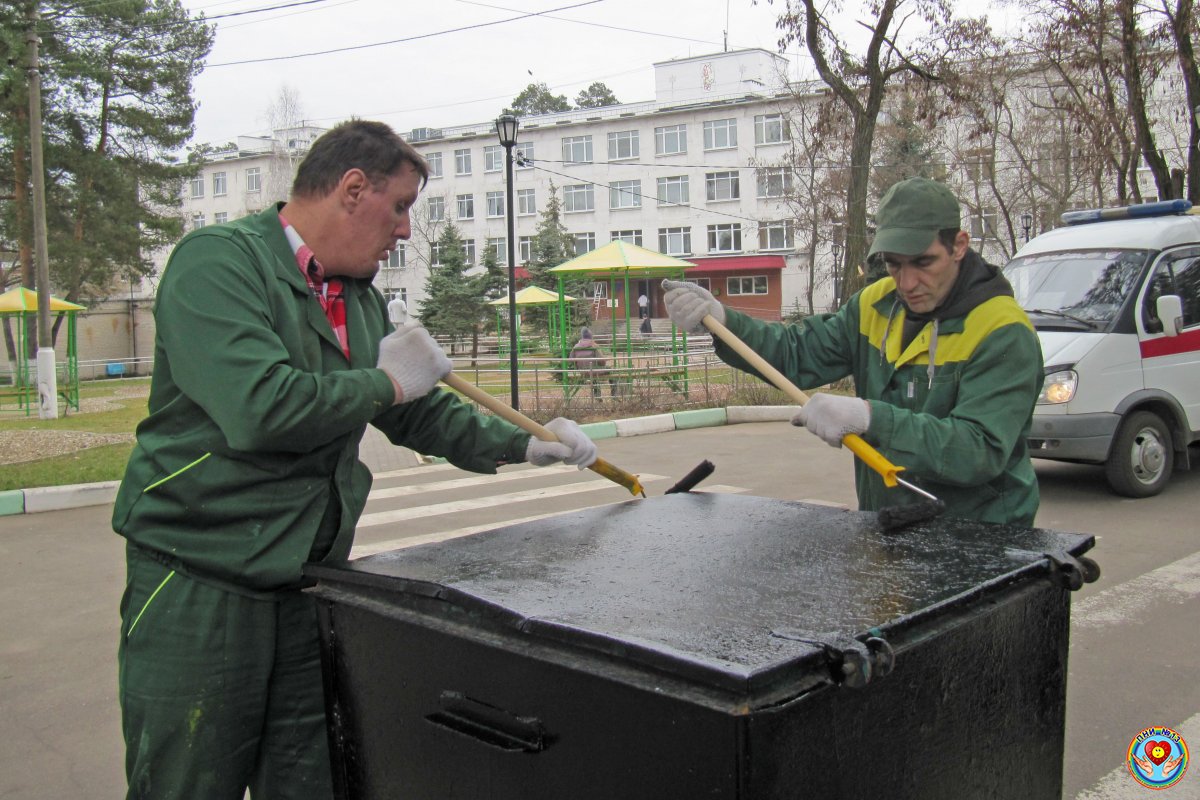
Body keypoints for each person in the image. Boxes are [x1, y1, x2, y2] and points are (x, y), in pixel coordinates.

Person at [112, 120, 598, 800]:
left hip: (307, 585)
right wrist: (386, 379)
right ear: (351, 189)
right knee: (186, 782)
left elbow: (415, 412)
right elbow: (259, 408)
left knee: (313, 782)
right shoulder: (218, 264)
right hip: (200, 585)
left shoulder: (356, 296)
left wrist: (524, 442)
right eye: (399, 207)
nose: (404, 230)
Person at [663, 177, 1043, 526]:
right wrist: (726, 323)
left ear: (959, 245)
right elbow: (798, 353)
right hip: (892, 524)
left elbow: (979, 450)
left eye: (924, 263)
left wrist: (871, 418)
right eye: (894, 264)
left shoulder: (1002, 330)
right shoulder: (875, 304)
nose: (908, 282)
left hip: (982, 539)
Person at [569, 327, 608, 398]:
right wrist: (602, 365)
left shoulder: (576, 346)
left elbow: (571, 359)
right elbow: (602, 360)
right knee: (611, 371)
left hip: (582, 371)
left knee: (593, 373)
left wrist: (578, 365)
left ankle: (597, 395)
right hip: (594, 371)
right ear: (590, 336)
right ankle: (614, 394)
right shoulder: (594, 346)